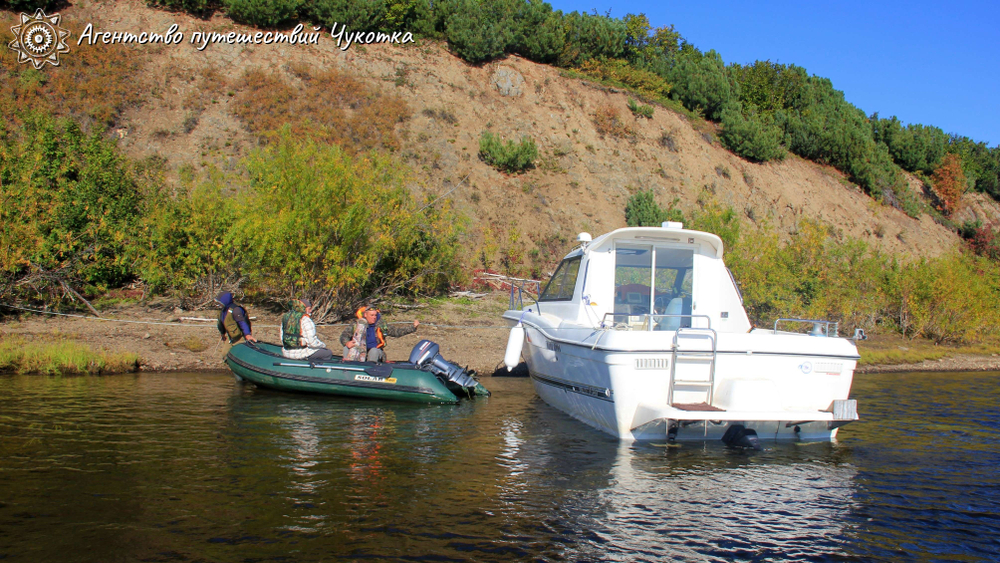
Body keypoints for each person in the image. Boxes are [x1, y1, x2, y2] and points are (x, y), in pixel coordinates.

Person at [340, 305, 419, 362]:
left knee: (373, 351)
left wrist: (413, 327)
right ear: (365, 315)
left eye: (375, 315)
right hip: (359, 350)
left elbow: (397, 332)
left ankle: (371, 372)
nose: (374, 317)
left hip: (375, 351)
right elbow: (343, 336)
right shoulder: (356, 324)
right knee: (346, 348)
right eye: (371, 315)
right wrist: (347, 342)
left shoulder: (381, 324)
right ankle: (347, 369)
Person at [217, 292, 256, 359]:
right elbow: (222, 323)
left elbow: (242, 323)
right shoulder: (223, 311)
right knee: (225, 354)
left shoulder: (236, 310)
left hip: (240, 337)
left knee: (241, 356)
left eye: (219, 302)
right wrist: (222, 333)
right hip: (231, 337)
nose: (218, 304)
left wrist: (247, 335)